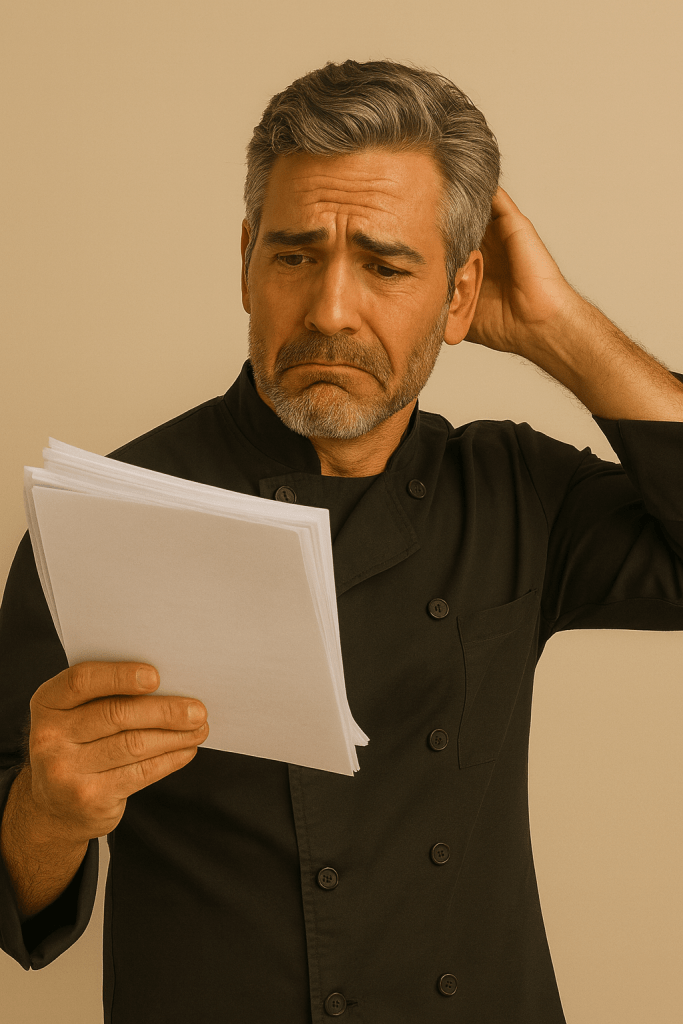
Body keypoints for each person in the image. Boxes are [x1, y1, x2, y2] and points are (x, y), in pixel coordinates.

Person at [0, 59, 682, 1024]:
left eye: (386, 264)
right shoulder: (107, 510)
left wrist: (556, 325)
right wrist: (48, 809)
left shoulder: (518, 492)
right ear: (245, 262)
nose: (327, 309)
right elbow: (13, 889)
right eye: (292, 255)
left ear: (459, 295)